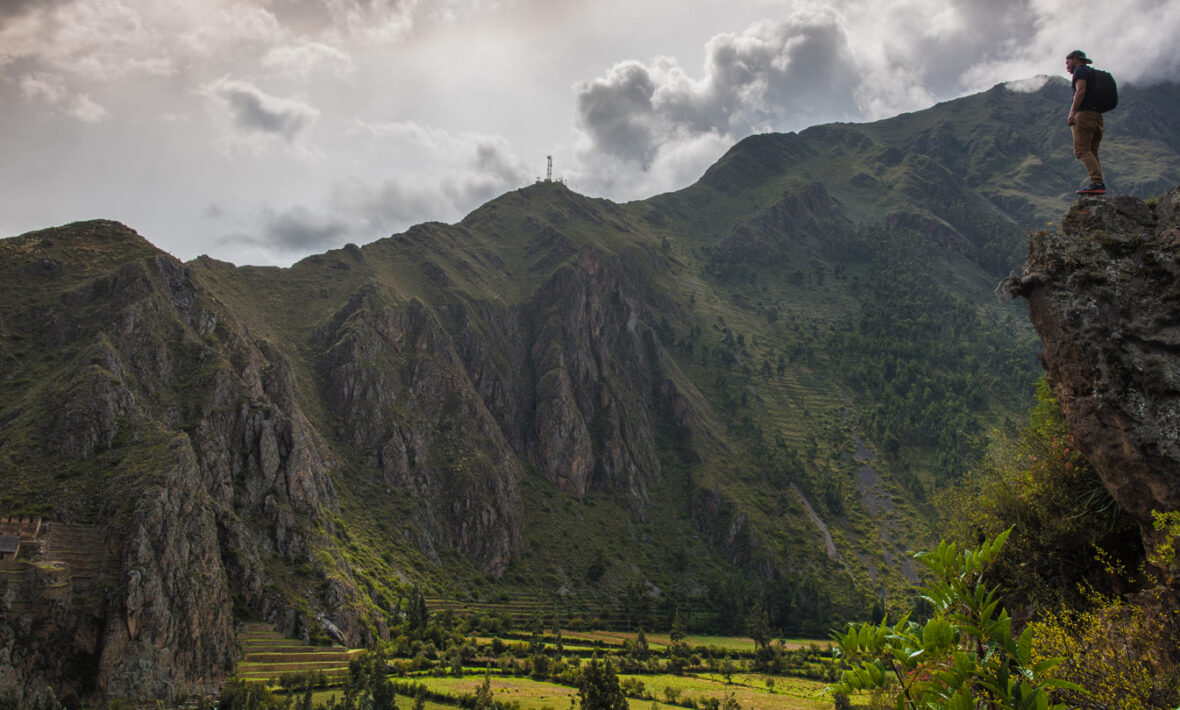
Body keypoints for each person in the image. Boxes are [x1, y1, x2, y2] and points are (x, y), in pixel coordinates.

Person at [1065, 50, 1105, 194]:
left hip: (1084, 115)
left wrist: (1072, 112)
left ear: (1076, 59)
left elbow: (1080, 91)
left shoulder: (1080, 71)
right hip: (1097, 116)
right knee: (1092, 151)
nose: (1067, 66)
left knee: (1081, 150)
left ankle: (1097, 182)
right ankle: (1098, 183)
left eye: (1068, 62)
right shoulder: (1092, 73)